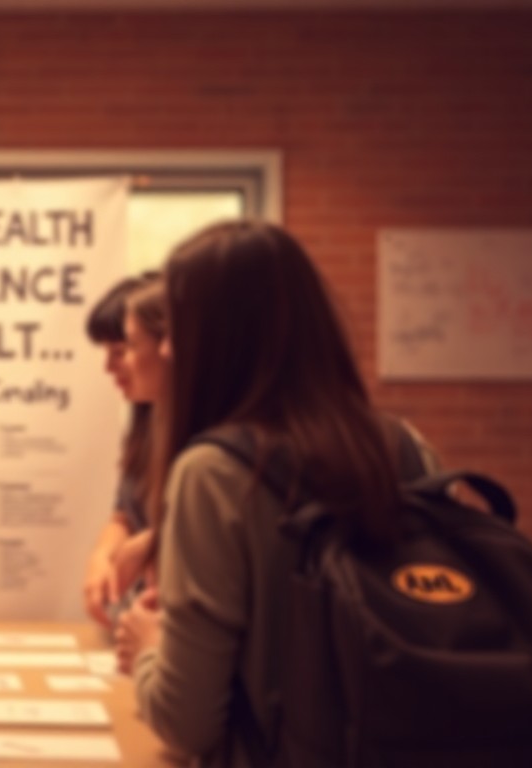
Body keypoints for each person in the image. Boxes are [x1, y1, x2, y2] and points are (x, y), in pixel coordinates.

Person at [119, 220, 433, 764]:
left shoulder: (211, 473)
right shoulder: (405, 445)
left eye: (177, 329)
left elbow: (185, 721)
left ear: (220, 340)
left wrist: (149, 647)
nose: (165, 350)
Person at [80, 272, 165, 629]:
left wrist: (157, 543)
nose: (111, 367)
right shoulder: (145, 420)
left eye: (124, 350)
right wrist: (103, 554)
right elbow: (124, 515)